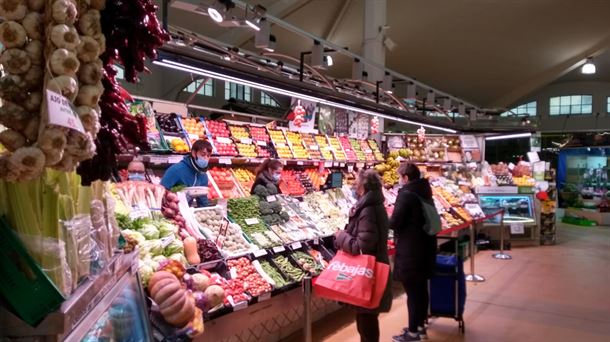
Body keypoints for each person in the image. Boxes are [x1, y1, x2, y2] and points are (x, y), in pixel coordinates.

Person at [334, 169, 392, 342]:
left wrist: (341, 236)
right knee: (366, 319)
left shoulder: (368, 210)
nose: (354, 185)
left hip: (368, 272)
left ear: (363, 186)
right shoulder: (374, 204)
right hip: (373, 266)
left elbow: (361, 247)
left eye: (357, 182)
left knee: (366, 321)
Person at [390, 163, 437, 342]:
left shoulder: (406, 194)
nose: (399, 180)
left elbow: (395, 222)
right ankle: (420, 326)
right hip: (426, 245)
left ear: (406, 178)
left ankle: (412, 332)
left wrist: (384, 219)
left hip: (412, 249)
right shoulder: (424, 189)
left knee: (412, 291)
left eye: (400, 177)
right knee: (421, 288)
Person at [160, 139, 213, 207]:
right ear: (194, 153)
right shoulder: (176, 170)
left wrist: (206, 213)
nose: (206, 158)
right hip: (170, 209)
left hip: (186, 210)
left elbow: (202, 200)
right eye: (203, 155)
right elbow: (161, 191)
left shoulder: (203, 175)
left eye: (208, 156)